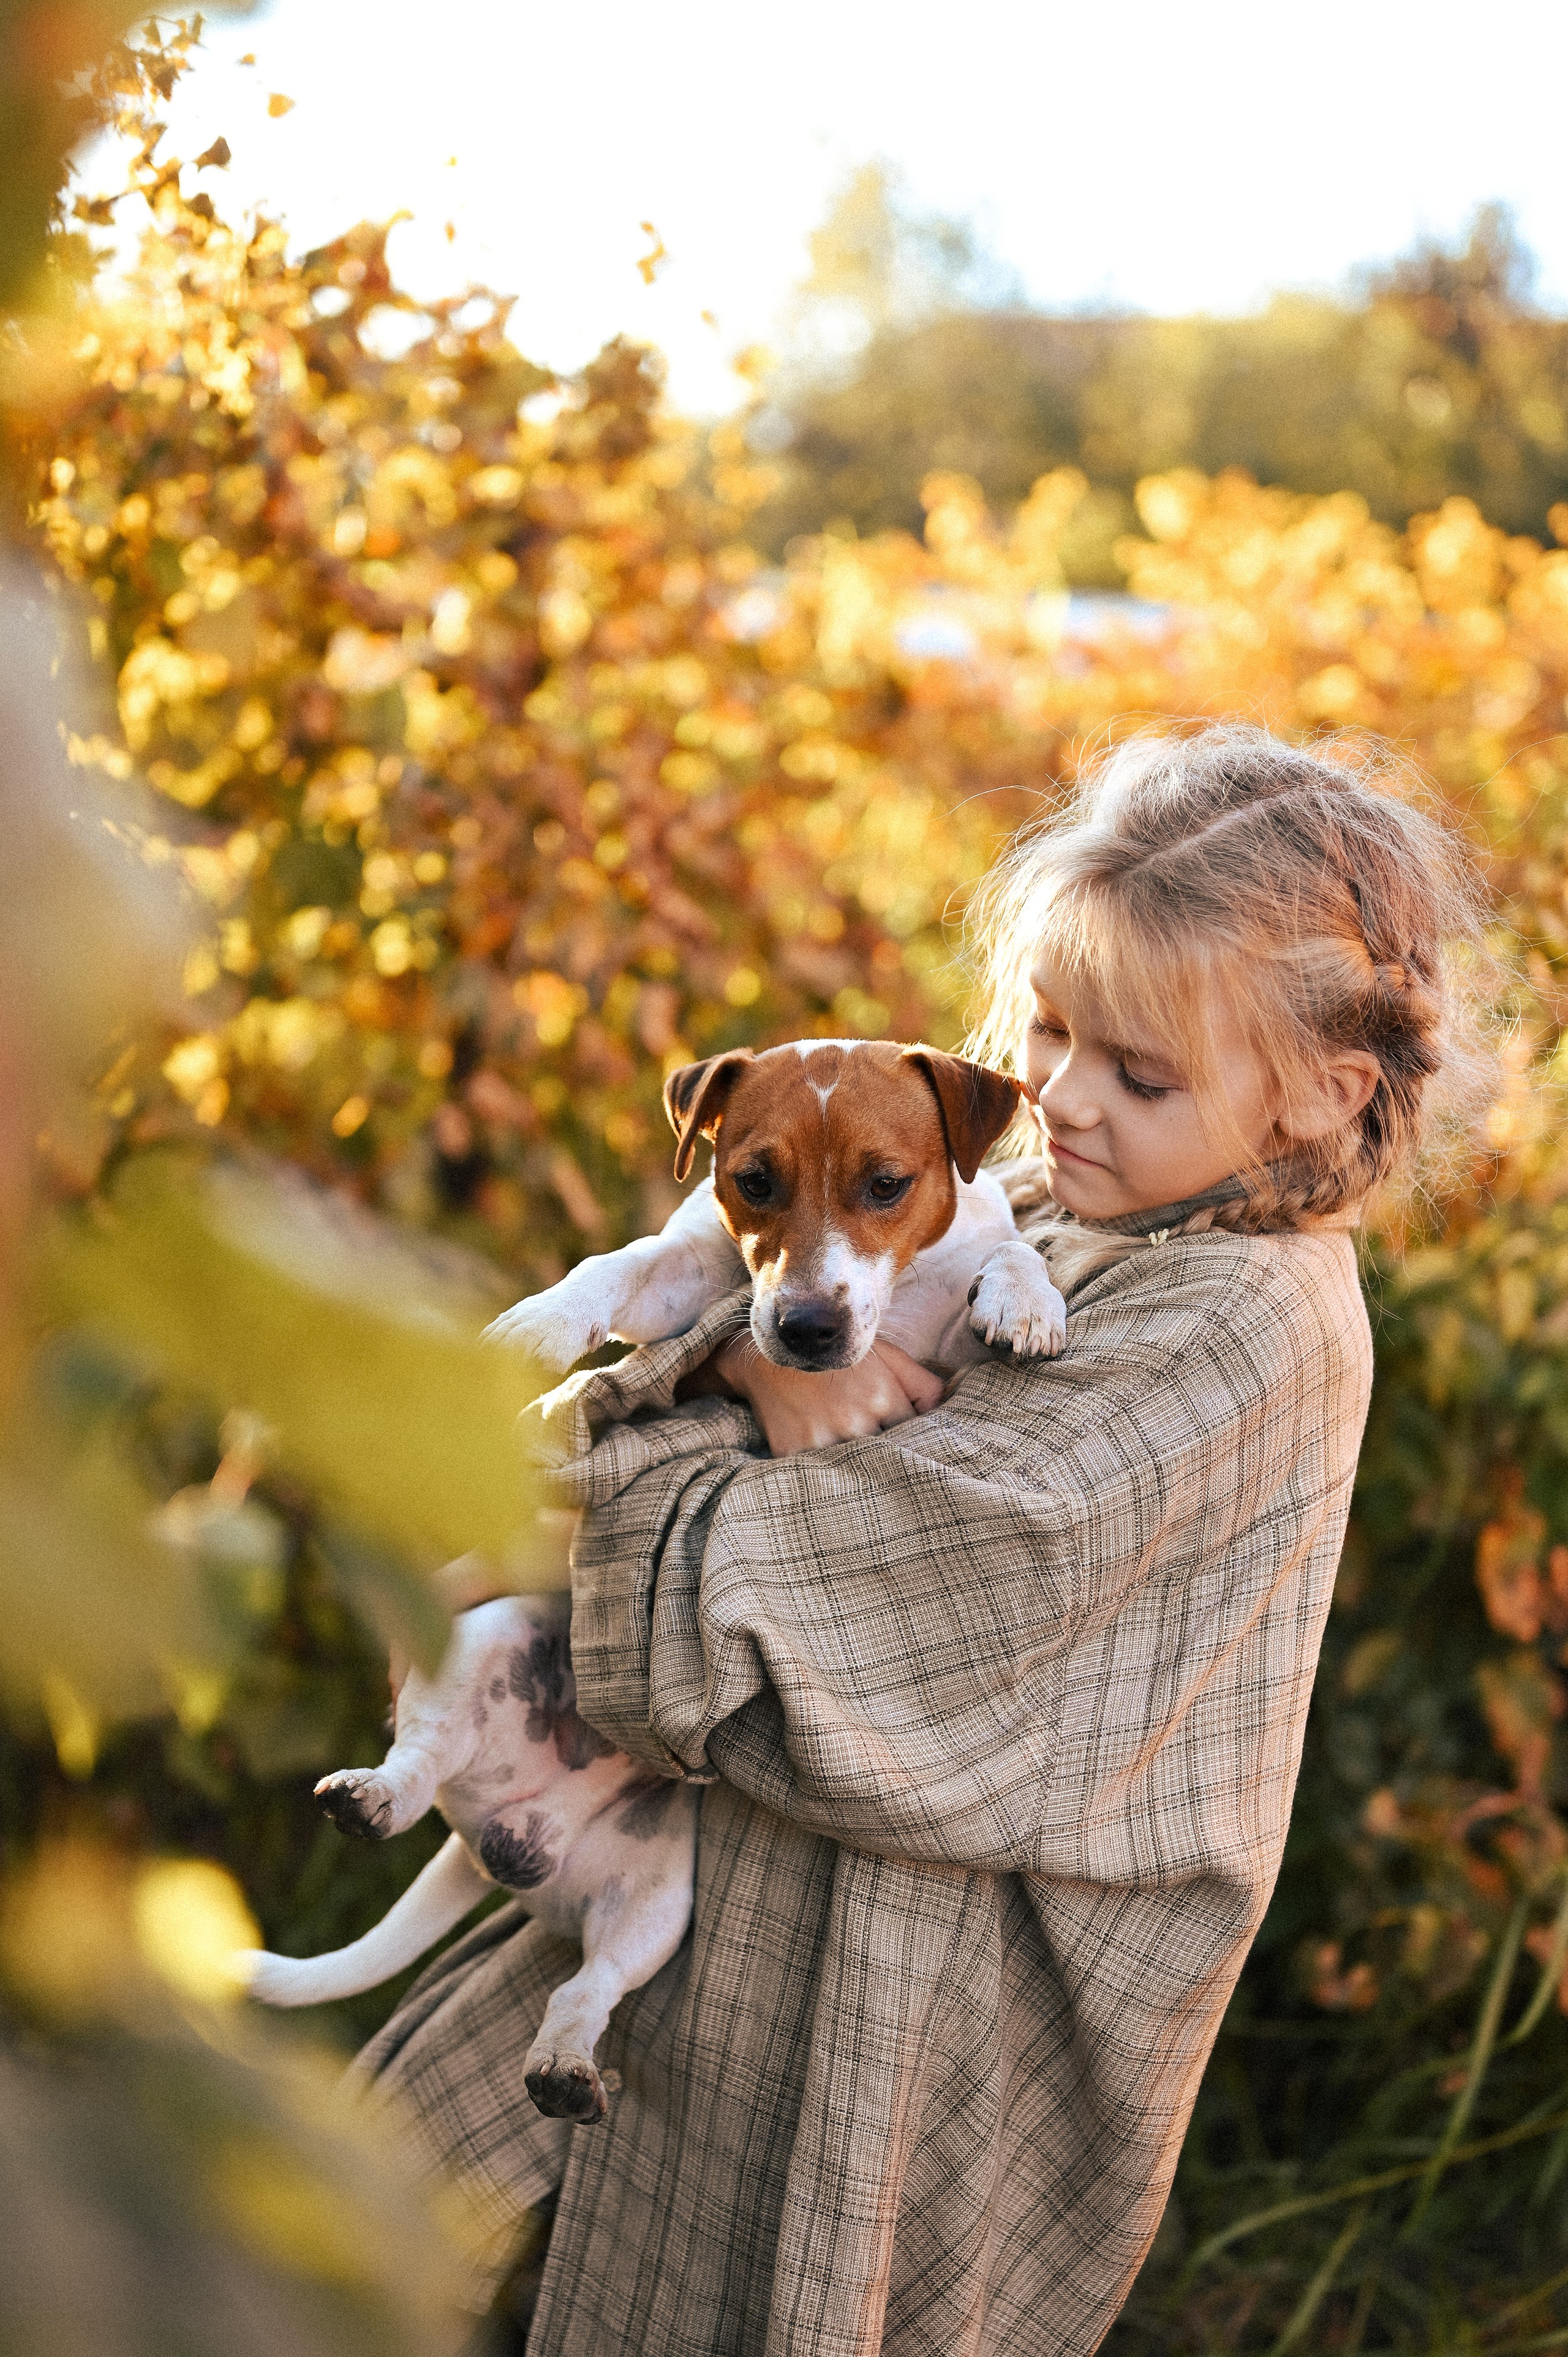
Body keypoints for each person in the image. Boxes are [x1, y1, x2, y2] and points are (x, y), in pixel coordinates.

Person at [358, 724, 1493, 2356]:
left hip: (906, 1994)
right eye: (1046, 1033)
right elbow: (692, 1375)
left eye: (1140, 1073)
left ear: (1328, 1093)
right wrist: (746, 1375)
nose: (1062, 1099)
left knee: (754, 2299)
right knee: (384, 2245)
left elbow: (890, 1591)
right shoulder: (1033, 1207)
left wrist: (586, 1496)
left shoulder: (1241, 1322)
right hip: (713, 1887)